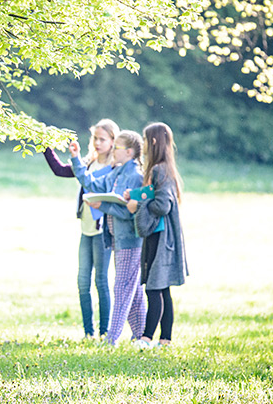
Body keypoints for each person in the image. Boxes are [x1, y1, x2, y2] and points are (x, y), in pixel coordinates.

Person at [43, 119, 118, 338]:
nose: (97, 143)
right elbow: (60, 170)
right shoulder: (87, 163)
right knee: (83, 281)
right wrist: (45, 145)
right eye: (95, 138)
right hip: (85, 230)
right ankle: (89, 333)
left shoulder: (114, 167)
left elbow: (94, 184)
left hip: (102, 231)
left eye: (102, 139)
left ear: (113, 141)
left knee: (101, 282)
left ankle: (105, 333)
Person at [70, 130, 146, 346]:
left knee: (122, 287)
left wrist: (102, 206)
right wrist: (76, 159)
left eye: (117, 148)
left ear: (129, 152)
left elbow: (130, 212)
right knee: (135, 291)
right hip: (117, 239)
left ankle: (111, 339)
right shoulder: (118, 172)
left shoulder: (135, 176)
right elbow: (92, 183)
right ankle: (140, 336)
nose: (113, 151)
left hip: (130, 241)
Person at [126, 122, 189, 349]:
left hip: (160, 238)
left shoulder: (159, 170)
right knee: (162, 288)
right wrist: (135, 195)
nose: (142, 144)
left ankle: (146, 337)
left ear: (152, 142)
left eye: (145, 139)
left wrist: (139, 204)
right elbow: (155, 196)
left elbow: (162, 205)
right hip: (162, 237)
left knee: (154, 287)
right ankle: (166, 339)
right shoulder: (165, 168)